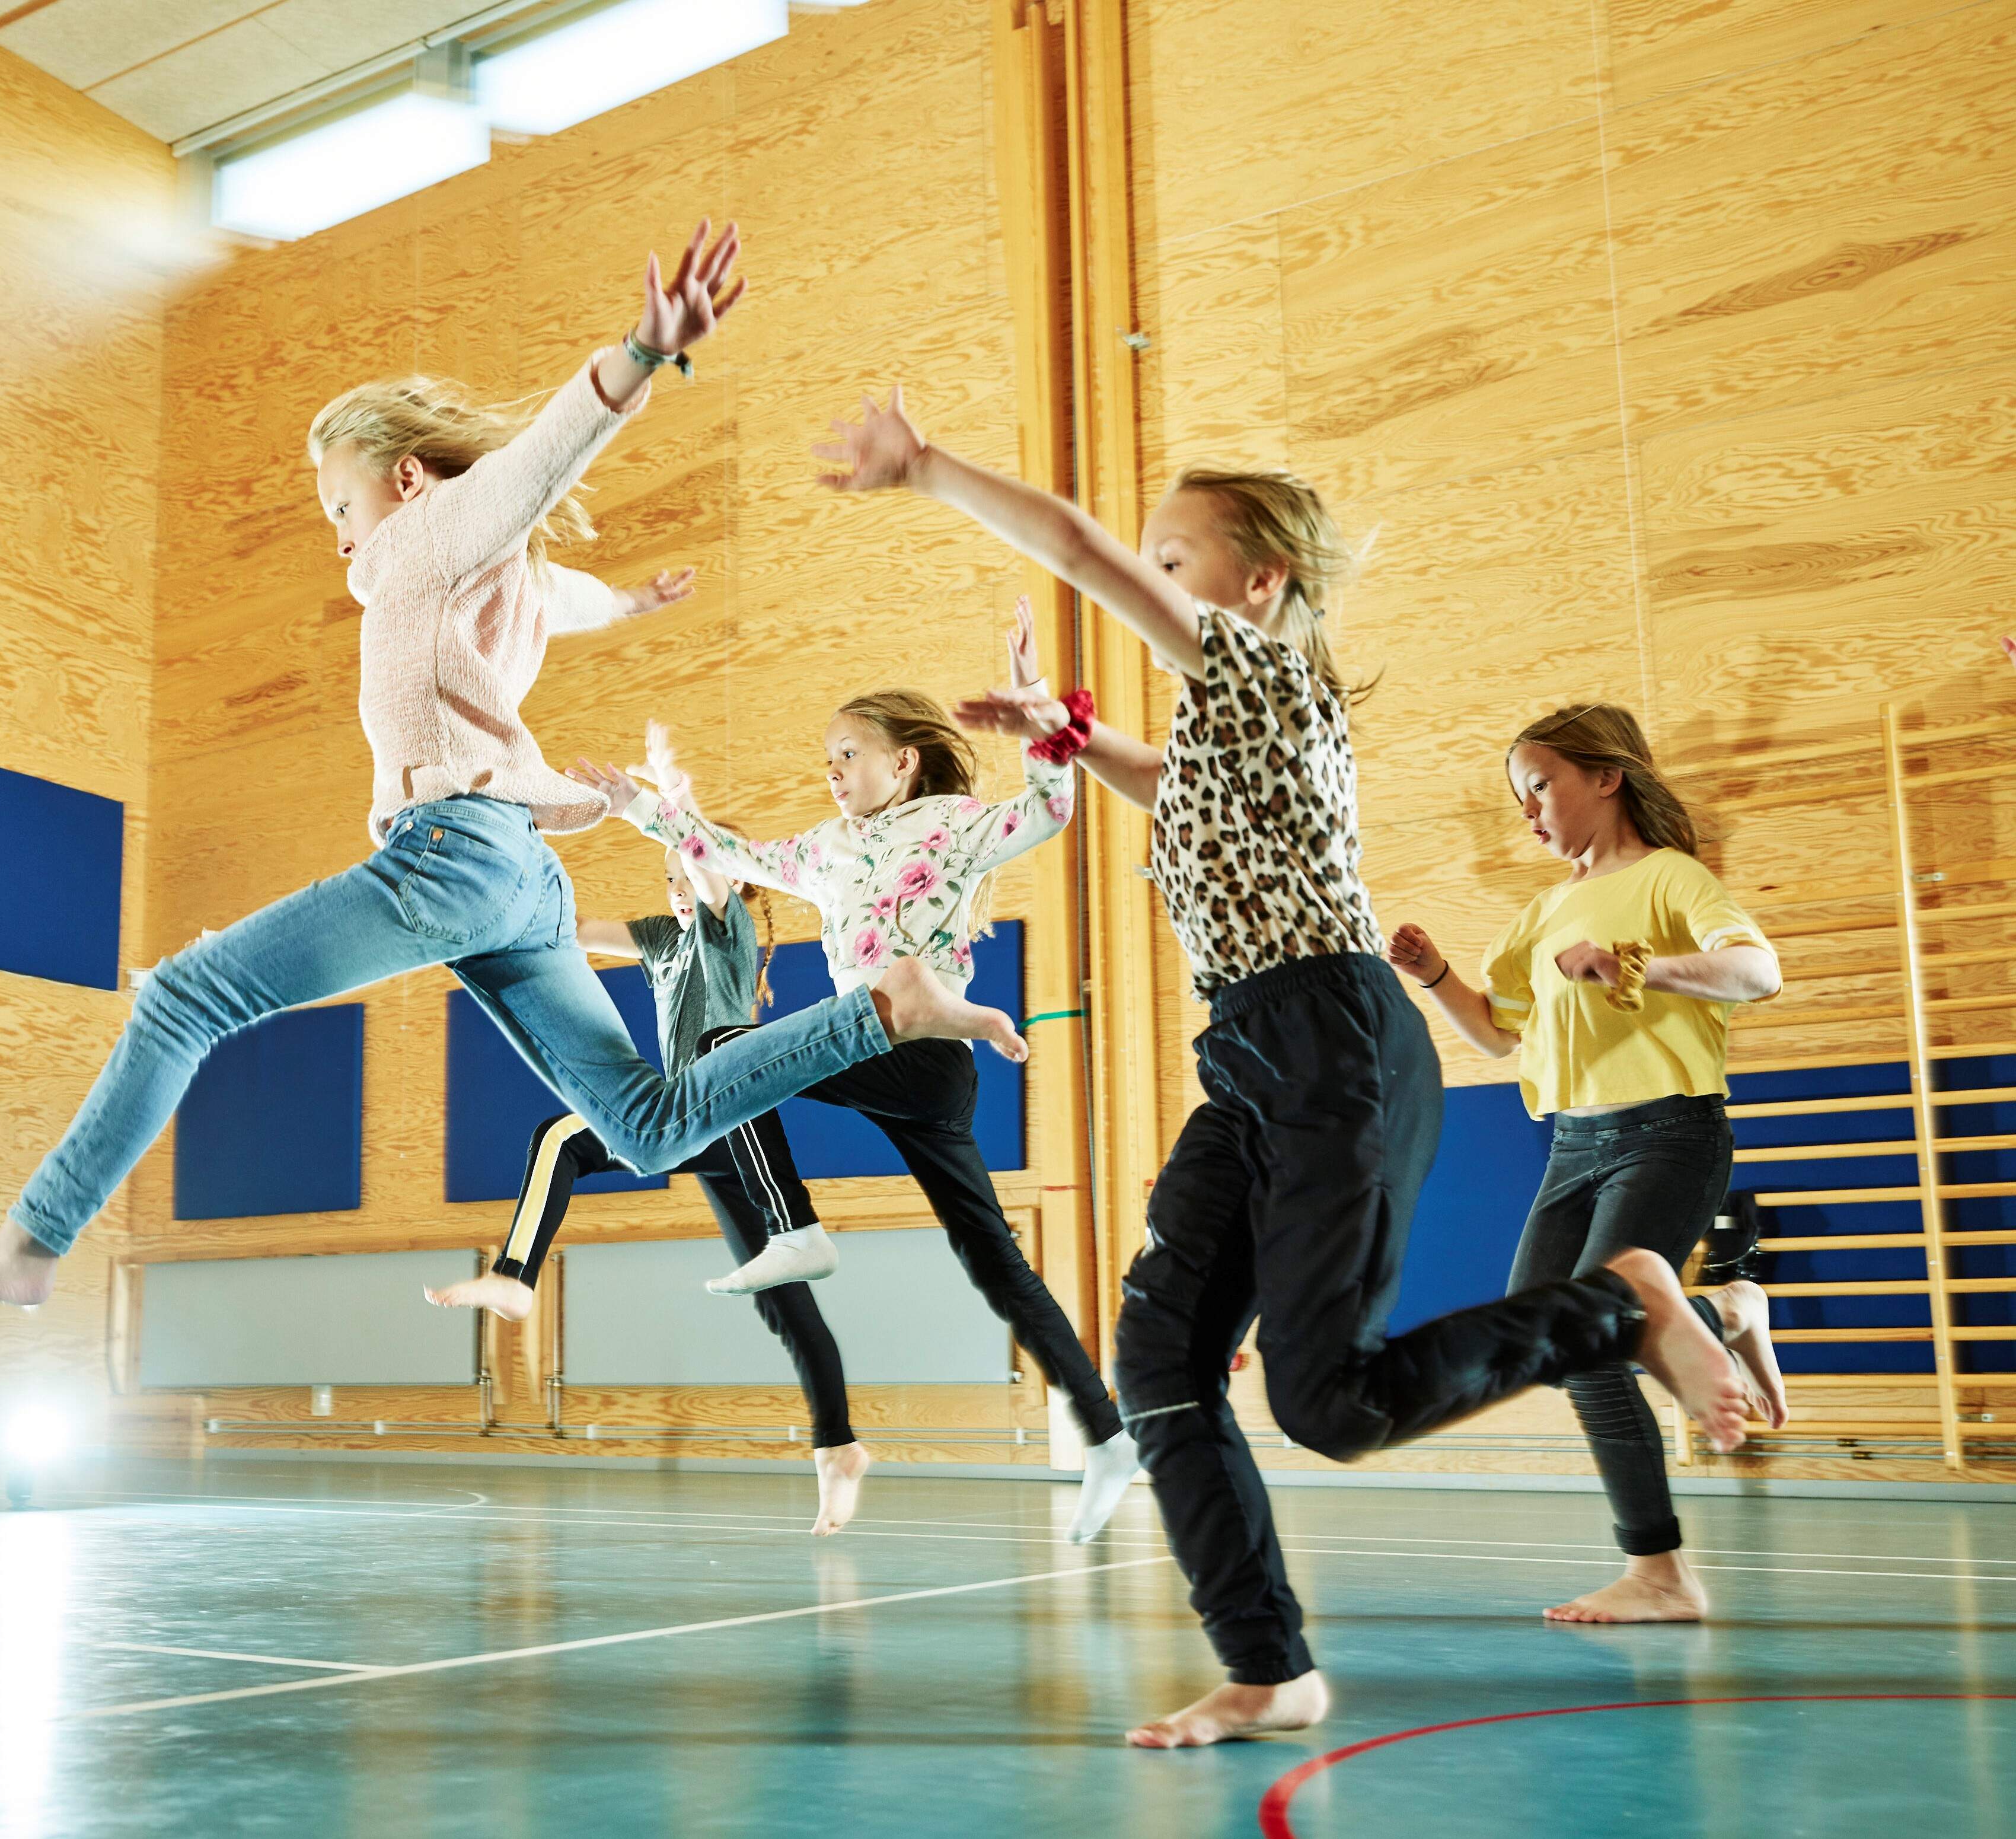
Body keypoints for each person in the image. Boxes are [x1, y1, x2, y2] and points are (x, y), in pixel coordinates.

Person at [810, 387, 1746, 1748]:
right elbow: (1170, 784)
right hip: (1250, 1058)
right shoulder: (1225, 732)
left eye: (1174, 558)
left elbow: (1076, 551)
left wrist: (927, 468)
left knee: (1326, 1403)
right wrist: (1069, 743)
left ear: (1257, 579)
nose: (1154, 575)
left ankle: (1613, 1303)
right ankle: (1267, 1668)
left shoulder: (1262, 667)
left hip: (1329, 1042)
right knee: (1158, 1363)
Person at [0, 227, 1018, 1314]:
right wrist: (624, 601)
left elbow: (531, 467)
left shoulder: (420, 542)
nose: (338, 535)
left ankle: (30, 1242)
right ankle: (880, 1010)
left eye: (342, 502)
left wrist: (637, 355)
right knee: (646, 1124)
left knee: (184, 998)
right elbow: (556, 586)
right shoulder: (483, 571)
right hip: (521, 882)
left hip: (454, 861)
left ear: (411, 485)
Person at [574, 603, 1143, 1546]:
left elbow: (1050, 809)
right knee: (994, 1266)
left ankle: (795, 1227)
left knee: (723, 1051)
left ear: (902, 761)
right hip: (872, 1043)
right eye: (828, 757)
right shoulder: (825, 850)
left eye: (848, 754)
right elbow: (731, 854)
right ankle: (1107, 1433)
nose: (832, 771)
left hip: (923, 1055)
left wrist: (1040, 712)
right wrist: (644, 807)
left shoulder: (952, 824)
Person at [1389, 702, 1786, 1624]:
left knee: (1597, 1320)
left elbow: (1757, 970)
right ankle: (1723, 1316)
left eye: (1540, 787)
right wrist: (1440, 975)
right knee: (1555, 1343)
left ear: (1606, 778)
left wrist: (1636, 965)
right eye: (1521, 797)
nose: (1529, 812)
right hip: (1573, 1146)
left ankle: (1659, 1572)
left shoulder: (1670, 879)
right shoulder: (1542, 913)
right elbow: (1496, 1036)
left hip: (1667, 1134)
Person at [428, 842, 874, 1534]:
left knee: (560, 1137)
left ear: (730, 879)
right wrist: (499, 907)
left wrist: (685, 828)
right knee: (782, 1305)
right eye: (666, 875)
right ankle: (838, 1447)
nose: (675, 887)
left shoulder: (729, 931)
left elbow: (708, 878)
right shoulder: (663, 936)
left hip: (730, 1109)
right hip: (690, 1121)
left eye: (688, 873)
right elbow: (572, 933)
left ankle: (516, 1275)